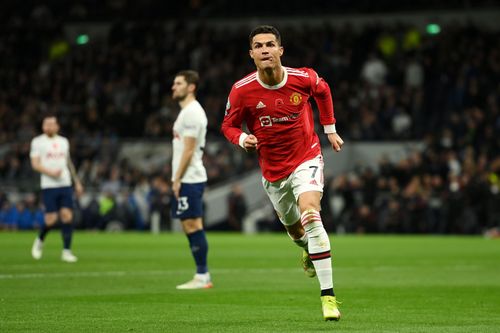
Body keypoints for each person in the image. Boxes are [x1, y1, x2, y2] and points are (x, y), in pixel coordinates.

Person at [221, 25, 344, 321]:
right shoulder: (242, 90)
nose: (265, 50)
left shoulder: (303, 78)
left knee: (311, 214)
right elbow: (228, 126)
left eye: (270, 44)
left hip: (306, 157)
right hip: (273, 171)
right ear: (251, 54)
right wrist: (241, 139)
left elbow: (324, 91)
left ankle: (328, 298)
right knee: (295, 229)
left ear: (280, 50)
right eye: (259, 46)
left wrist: (330, 129)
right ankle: (305, 248)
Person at [170, 70, 212, 289]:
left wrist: (177, 179)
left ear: (191, 87)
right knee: (189, 225)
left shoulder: (193, 113)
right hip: (188, 177)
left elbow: (188, 150)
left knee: (192, 224)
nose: (173, 87)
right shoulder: (186, 112)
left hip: (190, 177)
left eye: (178, 83)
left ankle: (202, 275)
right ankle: (201, 274)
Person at [30, 115, 83, 262]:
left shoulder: (63, 142)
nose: (49, 127)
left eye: (52, 124)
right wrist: (51, 172)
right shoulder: (38, 142)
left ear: (57, 126)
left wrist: (77, 181)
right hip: (49, 185)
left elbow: (68, 162)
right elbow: (35, 164)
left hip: (65, 184)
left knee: (67, 216)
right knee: (51, 220)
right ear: (43, 126)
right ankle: (40, 240)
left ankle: (66, 251)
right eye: (46, 124)